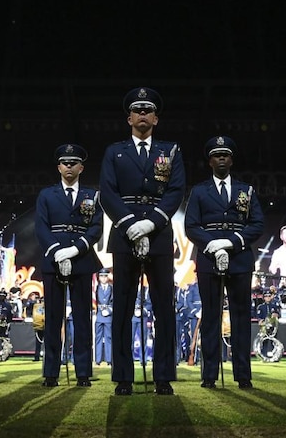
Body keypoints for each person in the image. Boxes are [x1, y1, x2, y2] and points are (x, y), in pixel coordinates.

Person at [99, 87, 186, 396]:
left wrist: (151, 223)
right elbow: (107, 192)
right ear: (129, 118)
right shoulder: (114, 151)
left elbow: (176, 191)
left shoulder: (170, 150)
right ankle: (123, 377)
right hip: (124, 235)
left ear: (156, 118)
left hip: (160, 234)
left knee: (164, 307)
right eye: (138, 110)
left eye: (148, 110)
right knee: (122, 307)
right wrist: (132, 226)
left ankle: (163, 376)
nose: (143, 114)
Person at [184, 135, 265, 389]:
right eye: (217, 155)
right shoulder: (199, 191)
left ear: (231, 160)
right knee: (211, 317)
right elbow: (191, 226)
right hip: (209, 258)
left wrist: (230, 243)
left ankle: (243, 375)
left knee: (241, 317)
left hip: (239, 258)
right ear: (210, 161)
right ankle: (209, 375)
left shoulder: (246, 190)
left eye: (226, 154)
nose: (221, 158)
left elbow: (257, 224)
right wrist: (212, 245)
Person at [34, 143, 103, 388]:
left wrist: (74, 250)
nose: (69, 166)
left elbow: (96, 228)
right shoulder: (46, 195)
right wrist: (58, 253)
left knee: (83, 318)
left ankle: (83, 373)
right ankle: (51, 373)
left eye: (74, 163)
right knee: (53, 318)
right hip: (54, 260)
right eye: (65, 162)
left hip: (82, 259)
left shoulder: (91, 195)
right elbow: (41, 227)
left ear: (81, 167)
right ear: (58, 167)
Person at [94, 268, 113, 366]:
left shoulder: (111, 288)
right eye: (101, 276)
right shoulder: (96, 288)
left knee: (108, 337)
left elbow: (114, 302)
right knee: (98, 338)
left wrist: (109, 311)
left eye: (105, 276)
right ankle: (98, 359)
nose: (103, 278)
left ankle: (109, 359)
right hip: (99, 315)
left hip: (108, 315)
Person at [24, 291, 44, 362]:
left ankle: (43, 356)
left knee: (43, 343)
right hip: (39, 325)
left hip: (44, 325)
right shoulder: (36, 306)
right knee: (38, 343)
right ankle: (37, 357)